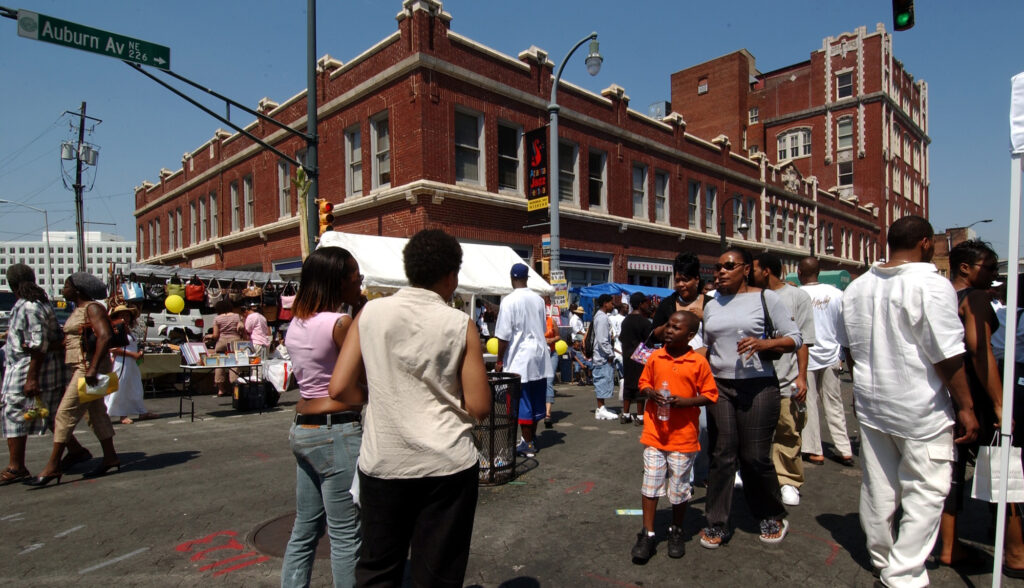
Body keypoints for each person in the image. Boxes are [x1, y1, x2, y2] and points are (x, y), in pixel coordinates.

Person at [328, 229, 490, 588]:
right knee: (437, 574)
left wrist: (379, 395)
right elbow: (479, 406)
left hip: (384, 461)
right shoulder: (459, 323)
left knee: (378, 568)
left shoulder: (370, 313)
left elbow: (338, 387)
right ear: (451, 276)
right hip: (447, 465)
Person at [838, 215, 978, 587]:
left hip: (873, 403)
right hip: (920, 408)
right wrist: (965, 405)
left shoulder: (856, 288)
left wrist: (867, 386)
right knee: (926, 490)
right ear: (927, 244)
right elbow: (947, 354)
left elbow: (849, 351)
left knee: (879, 487)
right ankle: (902, 573)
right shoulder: (930, 285)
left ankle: (883, 558)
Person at [698, 247, 801, 548]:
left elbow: (795, 338)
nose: (720, 272)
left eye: (728, 266)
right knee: (722, 454)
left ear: (746, 269)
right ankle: (717, 521)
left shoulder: (767, 299)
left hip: (758, 386)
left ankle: (771, 513)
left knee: (755, 456)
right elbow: (709, 347)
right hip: (721, 387)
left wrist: (763, 343)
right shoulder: (712, 304)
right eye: (717, 267)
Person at [280, 246, 365, 588]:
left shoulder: (297, 323)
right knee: (345, 535)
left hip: (304, 429)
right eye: (356, 278)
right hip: (337, 432)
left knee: (305, 528)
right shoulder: (339, 323)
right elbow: (363, 373)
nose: (361, 283)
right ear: (339, 282)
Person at [630, 311, 718, 562]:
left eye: (676, 328)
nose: (668, 330)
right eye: (668, 325)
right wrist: (650, 393)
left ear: (690, 336)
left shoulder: (698, 363)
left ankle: (676, 529)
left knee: (679, 487)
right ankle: (647, 533)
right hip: (655, 434)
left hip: (683, 437)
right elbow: (644, 383)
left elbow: (710, 395)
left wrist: (686, 402)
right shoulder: (656, 357)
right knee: (651, 483)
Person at [937, 239, 1004, 567]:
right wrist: (1000, 403)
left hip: (945, 392)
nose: (993, 275)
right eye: (989, 268)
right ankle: (1016, 549)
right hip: (975, 394)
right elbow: (981, 350)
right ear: (965, 267)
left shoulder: (940, 297)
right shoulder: (975, 297)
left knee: (952, 469)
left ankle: (949, 544)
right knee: (1003, 469)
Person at [28, 273, 122, 486]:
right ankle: (110, 457)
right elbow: (72, 340)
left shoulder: (92, 308)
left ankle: (53, 466)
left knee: (63, 414)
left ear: (78, 290)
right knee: (96, 413)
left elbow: (105, 335)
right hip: (86, 369)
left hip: (88, 370)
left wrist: (92, 370)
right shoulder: (81, 309)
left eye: (67, 285)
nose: (64, 289)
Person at [750, 252, 815, 508]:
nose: (748, 273)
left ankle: (788, 480)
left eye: (752, 268)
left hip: (786, 377)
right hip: (755, 377)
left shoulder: (797, 297)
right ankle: (756, 476)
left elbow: (804, 340)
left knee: (788, 430)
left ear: (766, 270)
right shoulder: (750, 295)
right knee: (755, 431)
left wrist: (802, 376)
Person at [1, 264, 67, 484]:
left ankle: (16, 466)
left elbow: (37, 344)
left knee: (14, 414)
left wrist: (31, 378)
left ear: (12, 286)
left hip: (27, 370)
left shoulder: (30, 305)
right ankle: (77, 450)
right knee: (47, 414)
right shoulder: (37, 303)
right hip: (37, 367)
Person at [797, 256, 854, 467]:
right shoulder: (837, 294)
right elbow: (843, 328)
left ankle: (814, 450)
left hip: (806, 357)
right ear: (819, 272)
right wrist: (841, 354)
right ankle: (844, 449)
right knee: (835, 403)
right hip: (831, 355)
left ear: (800, 272)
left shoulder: (798, 295)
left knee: (808, 403)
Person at [495, 263, 552, 458]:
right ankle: (530, 439)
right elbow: (543, 327)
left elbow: (503, 336)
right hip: (539, 354)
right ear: (527, 278)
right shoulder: (538, 300)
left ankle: (527, 443)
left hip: (521, 356)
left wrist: (499, 360)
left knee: (523, 400)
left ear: (512, 278)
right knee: (536, 399)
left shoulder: (509, 301)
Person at [104, 305, 158, 425]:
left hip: (131, 362)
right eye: (122, 315)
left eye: (127, 315)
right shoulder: (115, 329)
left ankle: (141, 411)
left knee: (135, 386)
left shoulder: (127, 329)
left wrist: (138, 353)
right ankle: (121, 414)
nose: (125, 317)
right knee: (120, 387)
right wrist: (133, 355)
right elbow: (113, 349)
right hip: (122, 361)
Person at [619, 292, 653, 425]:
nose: (648, 305)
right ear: (640, 304)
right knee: (641, 384)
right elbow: (649, 341)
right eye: (646, 302)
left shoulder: (626, 320)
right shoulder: (645, 322)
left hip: (627, 355)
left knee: (628, 384)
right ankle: (640, 416)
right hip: (641, 355)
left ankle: (626, 414)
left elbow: (621, 338)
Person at [205, 299, 243, 397]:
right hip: (234, 341)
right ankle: (235, 386)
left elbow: (215, 335)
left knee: (219, 365)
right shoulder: (237, 316)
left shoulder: (217, 319)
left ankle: (221, 389)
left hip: (221, 342)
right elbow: (241, 329)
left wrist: (209, 336)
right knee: (234, 364)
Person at [591, 294, 617, 420]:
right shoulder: (601, 318)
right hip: (601, 356)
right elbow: (602, 340)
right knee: (602, 380)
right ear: (605, 303)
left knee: (604, 380)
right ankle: (601, 408)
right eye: (611, 303)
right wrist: (610, 353)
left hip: (601, 355)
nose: (613, 305)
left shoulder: (600, 316)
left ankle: (602, 407)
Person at [543, 299, 562, 428]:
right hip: (540, 355)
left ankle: (548, 414)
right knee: (540, 381)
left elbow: (558, 336)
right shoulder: (533, 323)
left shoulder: (551, 321)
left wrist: (550, 339)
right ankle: (540, 409)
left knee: (549, 381)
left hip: (552, 353)